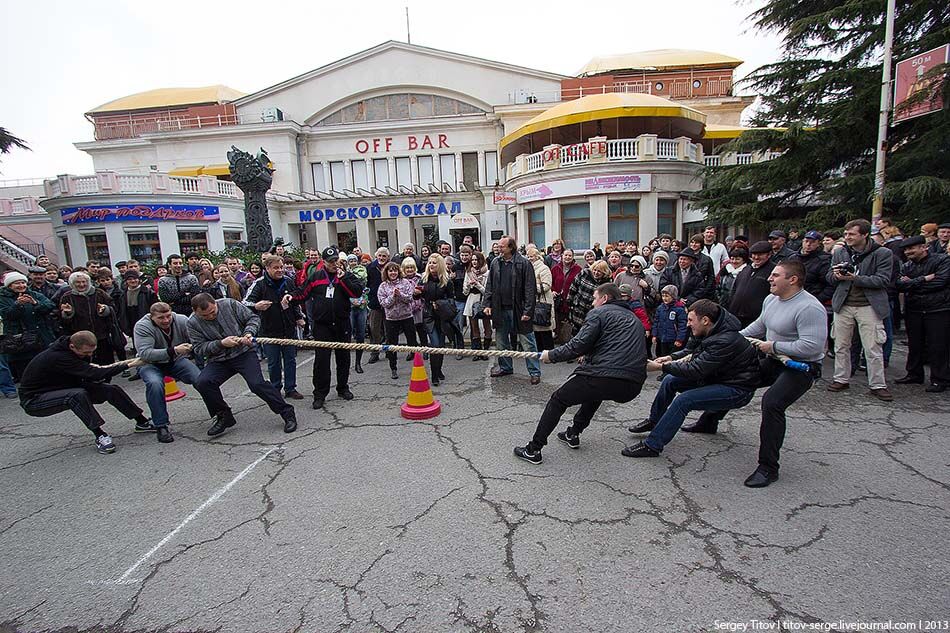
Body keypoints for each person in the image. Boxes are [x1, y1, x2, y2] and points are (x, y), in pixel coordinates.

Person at [691, 261, 828, 487]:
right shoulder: (771, 300)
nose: (769, 279)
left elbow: (812, 347)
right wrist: (728, 340)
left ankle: (768, 467)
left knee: (772, 403)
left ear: (792, 280)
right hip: (773, 360)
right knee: (736, 377)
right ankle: (709, 421)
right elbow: (757, 327)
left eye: (775, 275)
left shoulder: (809, 308)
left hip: (801, 368)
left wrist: (773, 346)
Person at [513, 283, 647, 464]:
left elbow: (577, 345)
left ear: (604, 299)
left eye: (594, 298)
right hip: (632, 385)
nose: (592, 303)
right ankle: (573, 433)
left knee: (558, 399)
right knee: (595, 392)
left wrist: (551, 355)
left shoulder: (599, 313)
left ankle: (533, 450)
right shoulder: (634, 319)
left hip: (605, 375)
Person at [623, 300, 760, 459]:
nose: (688, 324)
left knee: (684, 401)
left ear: (705, 320)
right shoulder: (710, 330)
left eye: (690, 320)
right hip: (719, 378)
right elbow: (691, 351)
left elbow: (696, 369)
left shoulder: (725, 340)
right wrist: (670, 357)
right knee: (670, 381)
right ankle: (655, 421)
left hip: (738, 389)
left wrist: (661, 367)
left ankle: (652, 446)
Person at [19, 330, 148, 454]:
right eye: (86, 353)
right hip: (34, 400)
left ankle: (142, 422)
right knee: (76, 395)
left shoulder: (75, 351)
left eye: (92, 352)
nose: (89, 355)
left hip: (60, 387)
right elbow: (95, 374)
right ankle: (100, 435)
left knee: (110, 390)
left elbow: (93, 372)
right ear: (72, 346)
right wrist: (130, 365)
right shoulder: (58, 357)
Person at [188, 294, 297, 435]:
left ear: (215, 303)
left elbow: (253, 318)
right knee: (202, 382)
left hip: (243, 353)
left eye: (213, 312)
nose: (210, 316)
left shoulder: (230, 304)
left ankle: (287, 413)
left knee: (256, 383)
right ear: (195, 311)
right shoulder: (192, 323)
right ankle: (223, 415)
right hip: (218, 359)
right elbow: (199, 348)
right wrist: (221, 343)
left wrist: (248, 334)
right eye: (205, 315)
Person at [827, 219, 894, 401]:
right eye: (846, 234)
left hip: (869, 305)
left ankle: (878, 384)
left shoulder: (882, 253)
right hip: (843, 304)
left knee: (872, 347)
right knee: (841, 345)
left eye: (852, 234)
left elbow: (882, 280)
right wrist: (836, 275)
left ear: (864, 235)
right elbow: (829, 278)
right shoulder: (841, 252)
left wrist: (854, 278)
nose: (847, 237)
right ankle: (841, 379)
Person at [294, 247, 363, 409]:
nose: (334, 264)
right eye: (331, 262)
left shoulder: (346, 275)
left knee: (343, 358)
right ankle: (319, 393)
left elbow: (356, 293)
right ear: (323, 262)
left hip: (342, 323)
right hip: (322, 325)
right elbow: (302, 293)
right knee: (322, 361)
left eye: (336, 261)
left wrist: (344, 278)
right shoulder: (316, 277)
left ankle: (343, 387)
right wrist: (290, 296)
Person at [133, 302, 205, 443]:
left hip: (176, 361)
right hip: (149, 364)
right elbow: (145, 353)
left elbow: (196, 339)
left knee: (201, 379)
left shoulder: (182, 320)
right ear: (152, 317)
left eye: (168, 316)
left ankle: (219, 411)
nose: (166, 320)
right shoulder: (142, 326)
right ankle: (161, 425)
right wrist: (174, 350)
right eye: (161, 318)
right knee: (154, 384)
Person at [244, 254, 306, 400]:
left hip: (289, 329)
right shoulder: (259, 283)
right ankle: (275, 388)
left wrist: (298, 318)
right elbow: (245, 303)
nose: (280, 270)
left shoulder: (288, 281)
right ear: (267, 268)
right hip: (268, 330)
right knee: (274, 363)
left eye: (281, 267)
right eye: (276, 268)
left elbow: (294, 302)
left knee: (290, 360)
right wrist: (256, 306)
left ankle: (291, 388)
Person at [895, 236, 950, 392]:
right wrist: (923, 279)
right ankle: (914, 374)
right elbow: (899, 285)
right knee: (915, 344)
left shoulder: (942, 260)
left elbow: (941, 282)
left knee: (938, 345)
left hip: (938, 309)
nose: (908, 252)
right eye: (906, 250)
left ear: (924, 247)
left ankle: (940, 379)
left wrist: (912, 283)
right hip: (914, 309)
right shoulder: (906, 266)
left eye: (911, 248)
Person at [0, 272, 57, 381]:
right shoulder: (3, 298)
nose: (21, 285)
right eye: (17, 283)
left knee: (45, 368)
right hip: (19, 341)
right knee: (26, 373)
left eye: (23, 282)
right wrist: (17, 305)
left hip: (40, 337)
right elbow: (8, 315)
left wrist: (35, 303)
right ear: (10, 285)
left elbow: (50, 306)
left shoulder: (34, 294)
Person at [58, 271, 117, 366]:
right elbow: (63, 320)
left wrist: (105, 309)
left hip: (101, 335)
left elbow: (113, 308)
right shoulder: (67, 297)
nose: (81, 285)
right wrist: (67, 313)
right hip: (79, 338)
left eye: (84, 282)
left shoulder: (99, 293)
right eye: (78, 282)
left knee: (105, 363)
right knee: (84, 364)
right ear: (72, 283)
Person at [415, 254, 455, 386]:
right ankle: (434, 375)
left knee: (441, 345)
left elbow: (451, 299)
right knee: (435, 345)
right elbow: (416, 297)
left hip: (442, 316)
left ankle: (439, 370)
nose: (431, 265)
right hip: (429, 316)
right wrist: (415, 294)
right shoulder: (423, 279)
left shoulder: (447, 281)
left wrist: (440, 303)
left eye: (434, 263)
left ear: (440, 265)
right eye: (430, 263)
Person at [377, 262, 418, 379]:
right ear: (387, 273)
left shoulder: (405, 283)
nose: (393, 273)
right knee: (392, 344)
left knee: (412, 342)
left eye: (395, 270)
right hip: (391, 319)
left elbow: (410, 298)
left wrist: (400, 295)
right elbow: (383, 303)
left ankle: (416, 365)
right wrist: (392, 297)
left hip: (406, 317)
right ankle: (393, 367)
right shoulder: (383, 286)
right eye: (390, 271)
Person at [117, 270, 158, 380]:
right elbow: (121, 311)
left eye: (135, 278)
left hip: (146, 322)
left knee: (151, 346)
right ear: (126, 281)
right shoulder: (123, 294)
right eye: (130, 279)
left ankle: (155, 369)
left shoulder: (148, 292)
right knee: (137, 349)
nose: (133, 281)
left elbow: (154, 307)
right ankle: (140, 370)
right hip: (131, 322)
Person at [728, 242, 776, 327]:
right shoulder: (746, 269)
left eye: (760, 254)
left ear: (769, 255)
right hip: (736, 316)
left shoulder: (773, 271)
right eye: (754, 254)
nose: (756, 257)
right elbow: (735, 289)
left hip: (756, 319)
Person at [789, 231, 834, 305]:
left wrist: (817, 299)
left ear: (818, 243)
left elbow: (829, 285)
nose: (808, 244)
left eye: (812, 242)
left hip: (812, 299)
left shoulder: (824, 260)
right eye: (806, 241)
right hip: (792, 297)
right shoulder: (793, 258)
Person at [462, 250, 492, 360]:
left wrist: (478, 284)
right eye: (473, 260)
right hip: (471, 299)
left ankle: (486, 351)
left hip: (484, 300)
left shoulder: (487, 273)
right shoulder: (468, 272)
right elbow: (464, 291)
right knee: (474, 327)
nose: (474, 262)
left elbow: (487, 291)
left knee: (486, 325)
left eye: (476, 259)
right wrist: (469, 286)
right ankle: (477, 351)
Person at [567, 260, 610, 335]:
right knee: (575, 333)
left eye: (599, 271)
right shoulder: (584, 273)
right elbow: (573, 287)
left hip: (592, 311)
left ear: (604, 272)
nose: (596, 273)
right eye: (595, 270)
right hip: (578, 307)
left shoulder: (606, 283)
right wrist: (569, 302)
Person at [526, 246, 555, 351]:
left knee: (545, 329)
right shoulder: (530, 267)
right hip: (534, 302)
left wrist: (531, 288)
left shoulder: (543, 268)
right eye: (528, 256)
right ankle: (540, 351)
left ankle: (549, 352)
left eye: (531, 256)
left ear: (537, 257)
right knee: (537, 330)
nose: (529, 258)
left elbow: (547, 285)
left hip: (543, 301)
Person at [365, 247, 390, 365]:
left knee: (388, 328)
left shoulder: (391, 267)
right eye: (380, 255)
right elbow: (367, 283)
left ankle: (389, 351)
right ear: (376, 256)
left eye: (384, 256)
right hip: (375, 303)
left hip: (389, 303)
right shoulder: (370, 267)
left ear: (387, 257)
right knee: (374, 328)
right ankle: (375, 352)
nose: (381, 258)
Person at [551, 248, 581, 344]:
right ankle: (558, 343)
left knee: (570, 324)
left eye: (570, 255)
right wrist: (552, 291)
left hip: (571, 302)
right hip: (558, 302)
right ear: (562, 256)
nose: (567, 257)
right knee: (558, 323)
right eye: (565, 255)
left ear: (573, 257)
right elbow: (550, 282)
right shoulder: (555, 268)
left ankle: (569, 344)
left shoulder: (578, 269)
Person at [346, 253, 370, 374]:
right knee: (348, 334)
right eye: (350, 261)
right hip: (349, 306)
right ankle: (347, 364)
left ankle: (358, 363)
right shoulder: (344, 273)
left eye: (354, 261)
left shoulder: (362, 270)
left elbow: (361, 279)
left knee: (360, 335)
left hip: (361, 305)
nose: (353, 263)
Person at [449, 245, 473, 357]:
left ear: (470, 255)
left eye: (466, 255)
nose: (464, 257)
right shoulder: (455, 267)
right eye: (462, 255)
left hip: (472, 297)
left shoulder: (473, 265)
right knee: (459, 325)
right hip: (459, 299)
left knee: (474, 325)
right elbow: (450, 285)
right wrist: (451, 279)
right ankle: (460, 349)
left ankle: (475, 349)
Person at [652, 285, 688, 358]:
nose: (664, 298)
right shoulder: (660, 308)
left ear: (673, 296)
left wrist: (679, 339)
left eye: (667, 296)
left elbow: (682, 325)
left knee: (672, 357)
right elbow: (656, 322)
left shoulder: (679, 309)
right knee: (662, 356)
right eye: (663, 296)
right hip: (662, 337)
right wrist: (654, 335)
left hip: (673, 339)